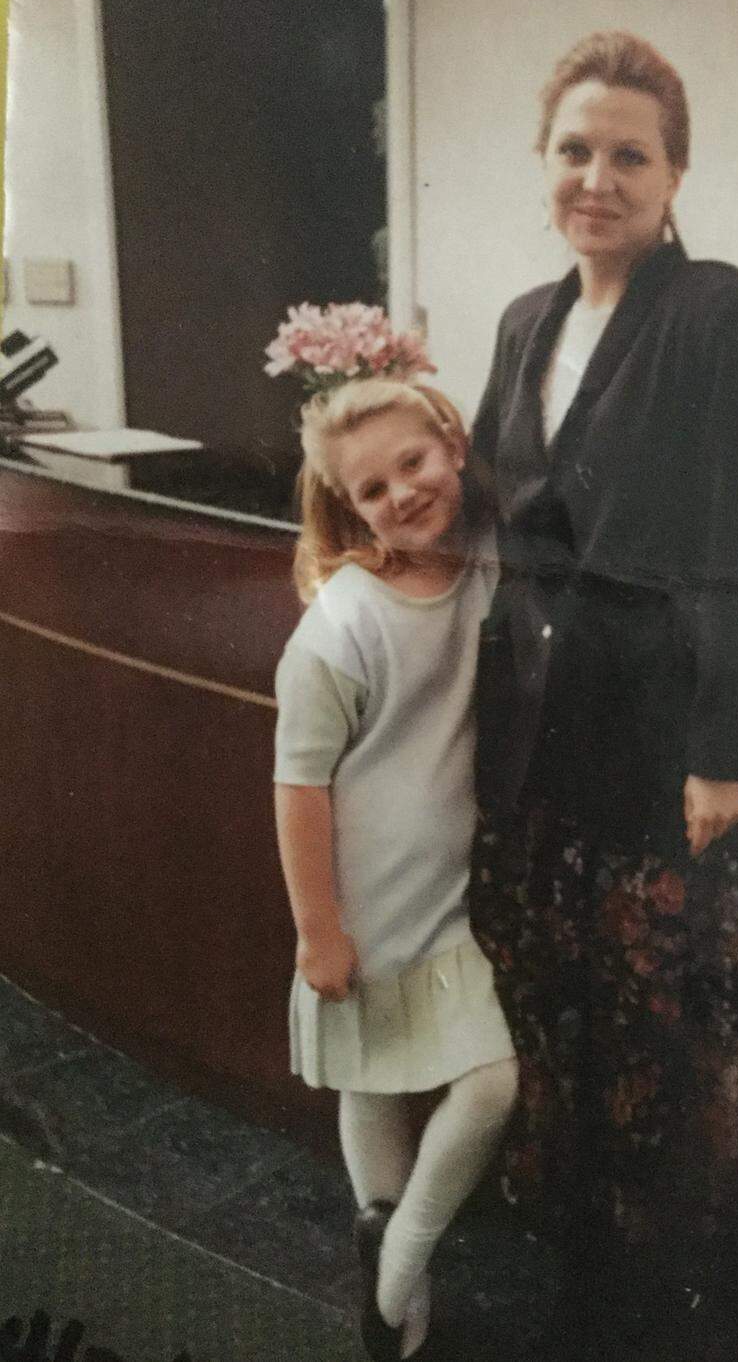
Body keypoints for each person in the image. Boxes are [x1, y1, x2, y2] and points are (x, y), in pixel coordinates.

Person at [468, 31, 738, 1360]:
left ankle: (644, 1306)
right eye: (574, 150)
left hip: (658, 738)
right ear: (544, 161)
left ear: (675, 173)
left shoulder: (715, 308)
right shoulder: (522, 320)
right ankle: (564, 1274)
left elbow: (735, 538)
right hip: (531, 735)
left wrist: (722, 748)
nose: (597, 177)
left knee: (652, 1029)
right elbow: (498, 519)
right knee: (549, 1004)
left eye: (629, 154)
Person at [272, 369, 518, 1362]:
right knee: (371, 1084)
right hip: (362, 900)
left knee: (488, 1081)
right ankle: (397, 1286)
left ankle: (396, 1256)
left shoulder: (490, 564)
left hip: (444, 892)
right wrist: (319, 927)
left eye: (412, 462)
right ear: (348, 507)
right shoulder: (344, 621)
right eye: (372, 490)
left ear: (452, 445)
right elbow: (298, 784)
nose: (402, 493)